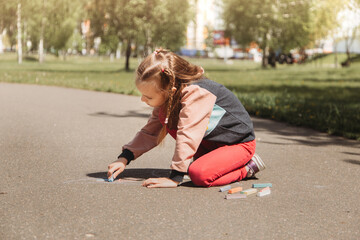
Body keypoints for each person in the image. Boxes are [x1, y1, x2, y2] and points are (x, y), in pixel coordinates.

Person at [107, 49, 266, 188]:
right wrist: (124, 158)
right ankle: (219, 163)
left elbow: (188, 134)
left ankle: (248, 167)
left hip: (239, 144)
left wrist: (175, 178)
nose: (143, 100)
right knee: (165, 118)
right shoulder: (169, 98)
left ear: (170, 89)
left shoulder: (196, 93)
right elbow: (150, 132)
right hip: (211, 144)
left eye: (148, 96)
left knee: (199, 175)